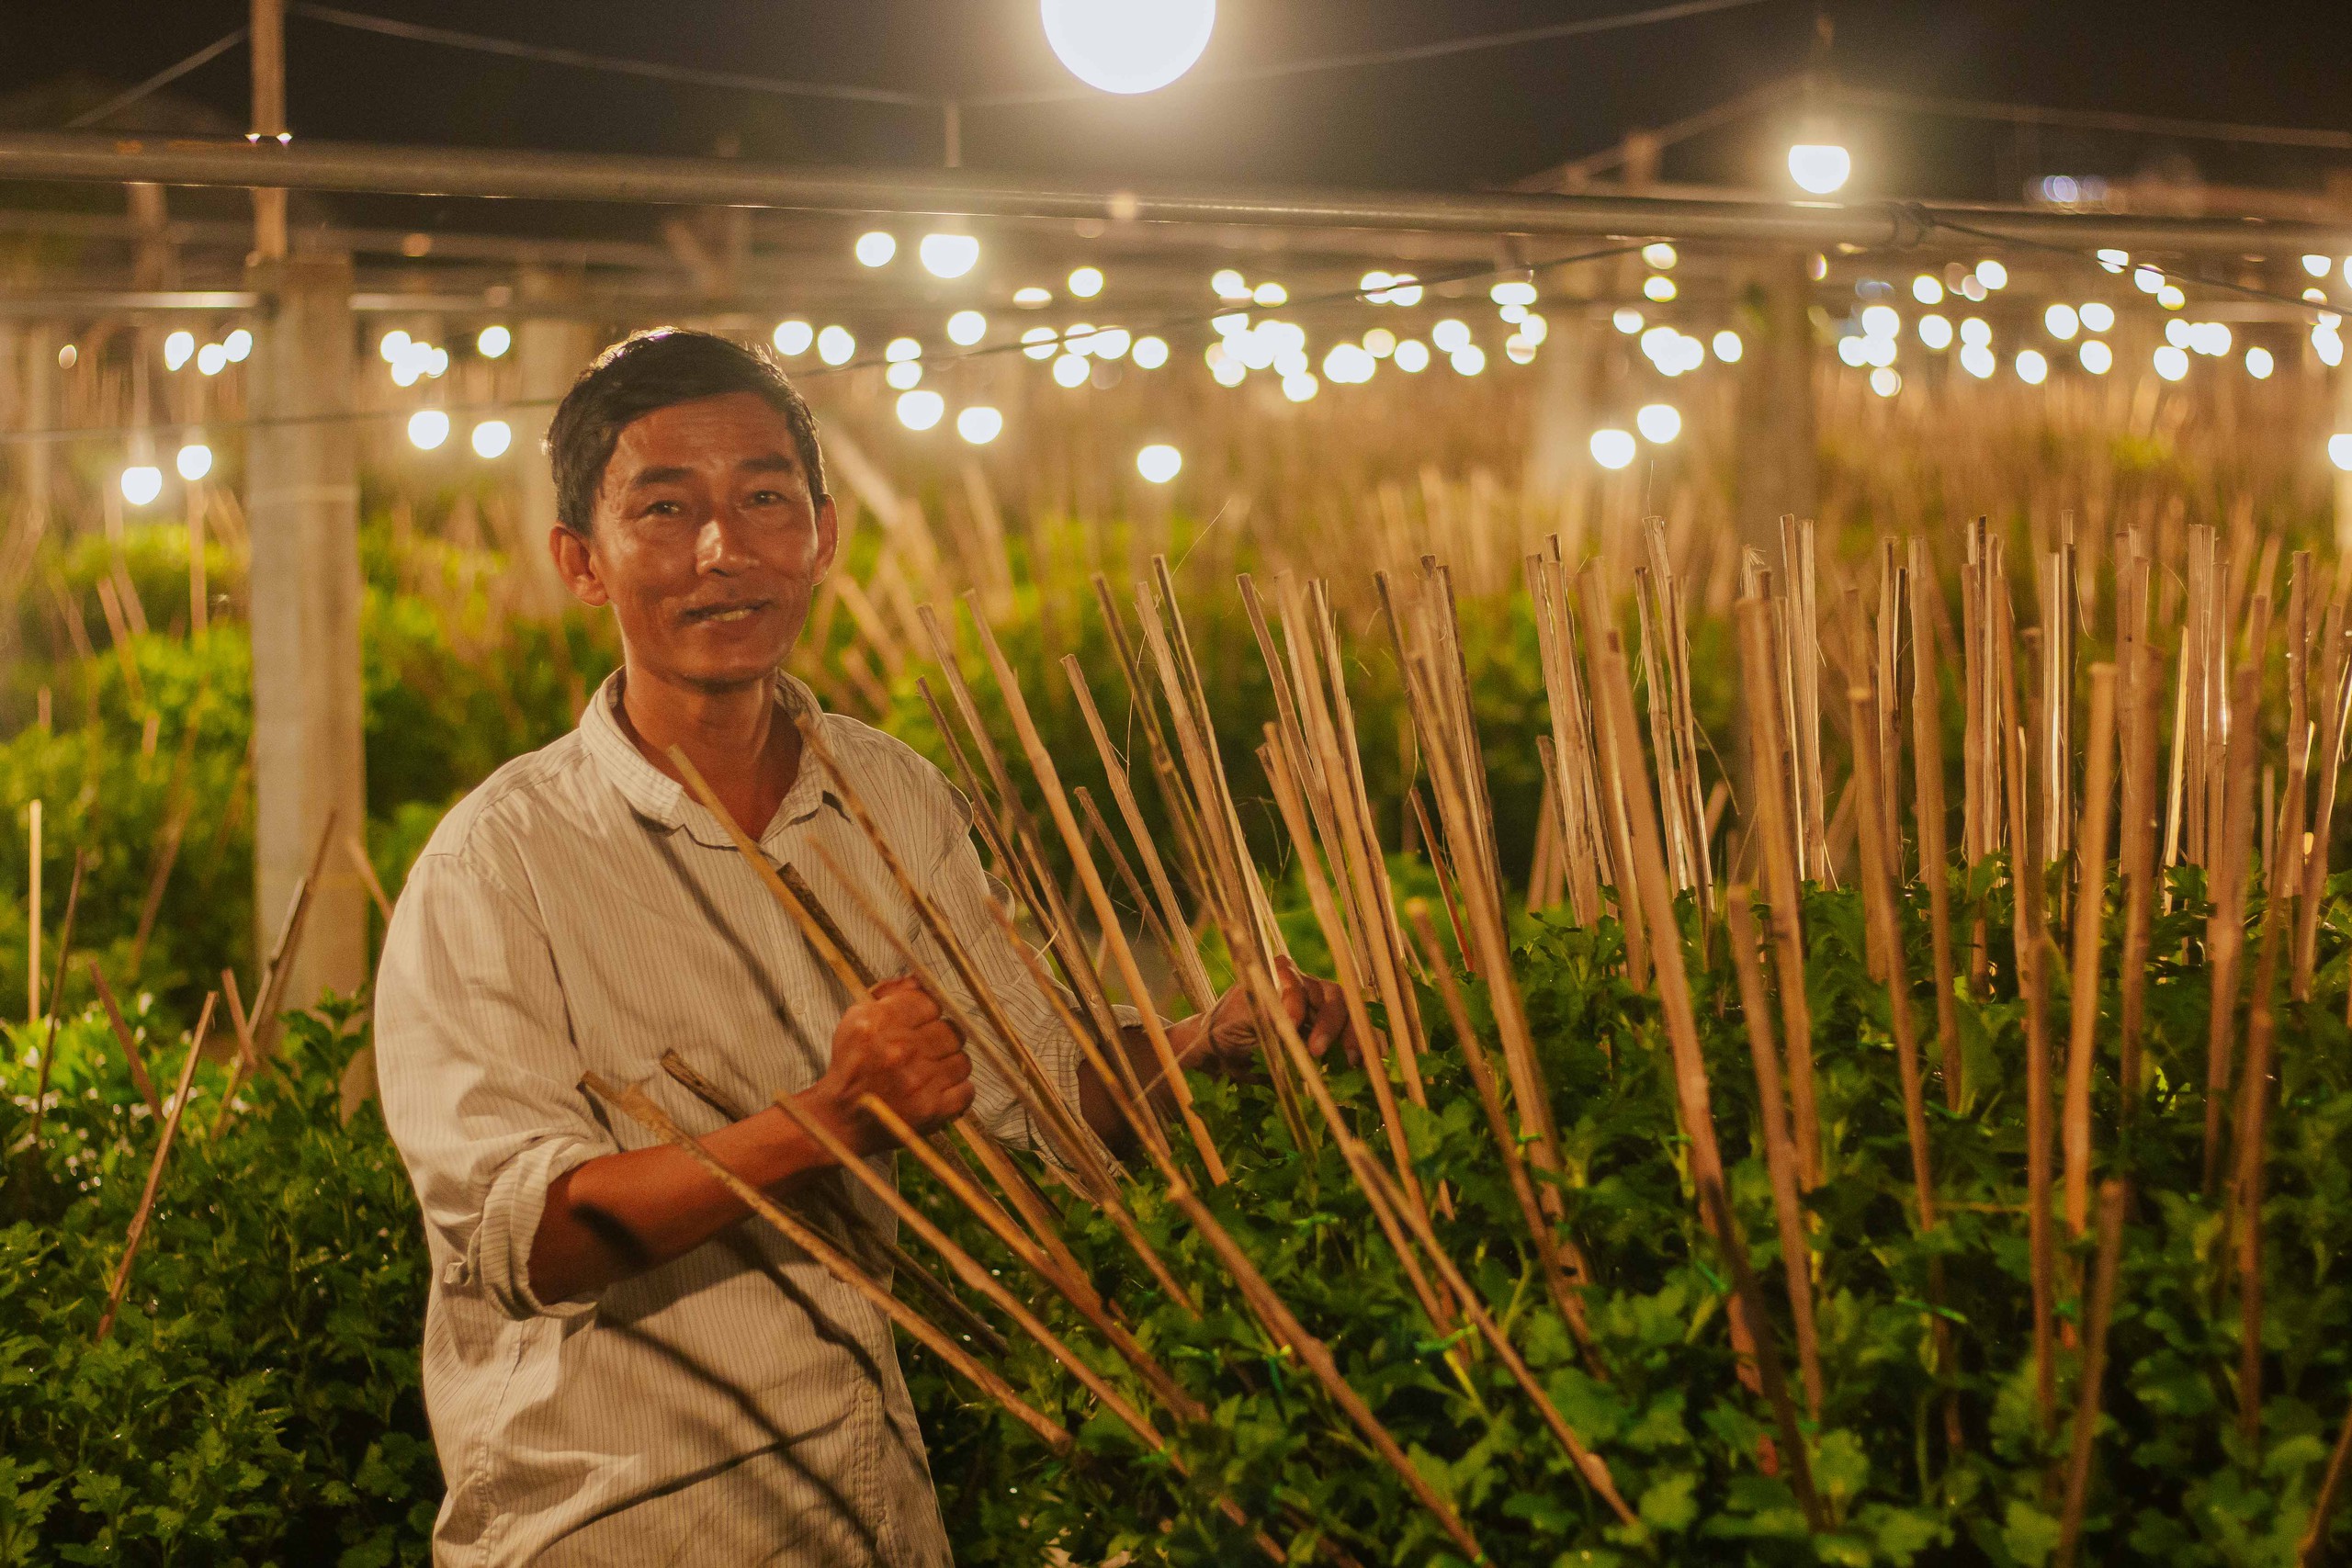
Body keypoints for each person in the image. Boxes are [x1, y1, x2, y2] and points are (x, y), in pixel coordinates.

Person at [375, 327, 1359, 1566]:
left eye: (764, 500)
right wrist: (832, 1116)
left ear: (822, 536)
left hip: (868, 1512)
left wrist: (1206, 1037)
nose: (722, 551)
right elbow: (529, 1241)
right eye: (666, 510)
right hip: (620, 1532)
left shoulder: (887, 793)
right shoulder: (497, 862)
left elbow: (1033, 1088)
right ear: (582, 561)